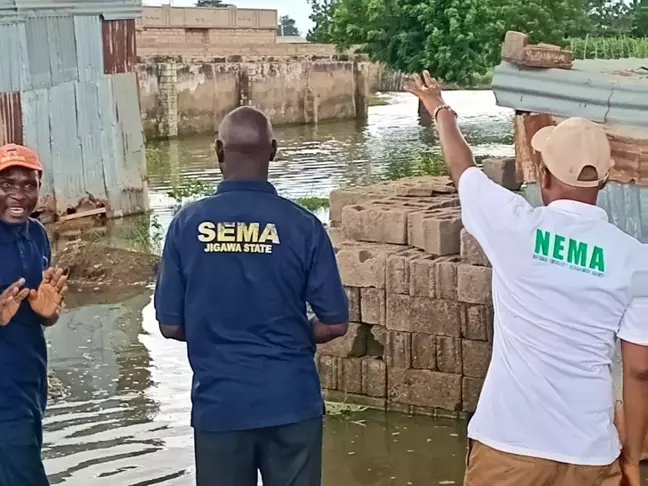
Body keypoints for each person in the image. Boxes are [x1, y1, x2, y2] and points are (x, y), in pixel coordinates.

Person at [407, 72, 648, 486]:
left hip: (508, 447)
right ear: (604, 181)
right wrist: (630, 456)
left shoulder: (514, 227)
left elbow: (462, 167)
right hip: (589, 453)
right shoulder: (635, 260)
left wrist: (439, 108)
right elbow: (640, 370)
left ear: (544, 175)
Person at [154, 106, 349, 486]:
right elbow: (335, 323)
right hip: (291, 401)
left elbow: (170, 324)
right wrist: (293, 334)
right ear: (273, 151)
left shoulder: (186, 226)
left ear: (218, 151)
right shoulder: (303, 226)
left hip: (220, 406)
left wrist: (220, 330)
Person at [0, 143, 68, 486]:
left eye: (29, 185)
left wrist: (48, 314)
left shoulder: (37, 234)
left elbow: (42, 314)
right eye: (7, 184)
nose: (19, 194)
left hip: (29, 380)